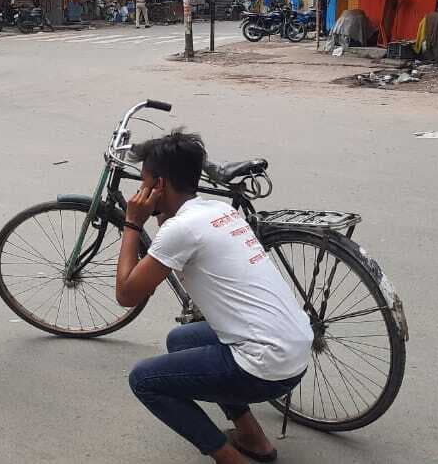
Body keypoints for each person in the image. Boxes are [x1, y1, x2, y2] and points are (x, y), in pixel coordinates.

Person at [115, 131, 313, 464]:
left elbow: (126, 294)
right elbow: (171, 230)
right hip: (295, 350)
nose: (140, 192)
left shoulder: (181, 230)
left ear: (158, 185)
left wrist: (132, 223)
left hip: (265, 367)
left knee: (144, 380)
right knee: (181, 340)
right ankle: (253, 439)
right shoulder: (218, 211)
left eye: (145, 182)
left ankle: (229, 459)